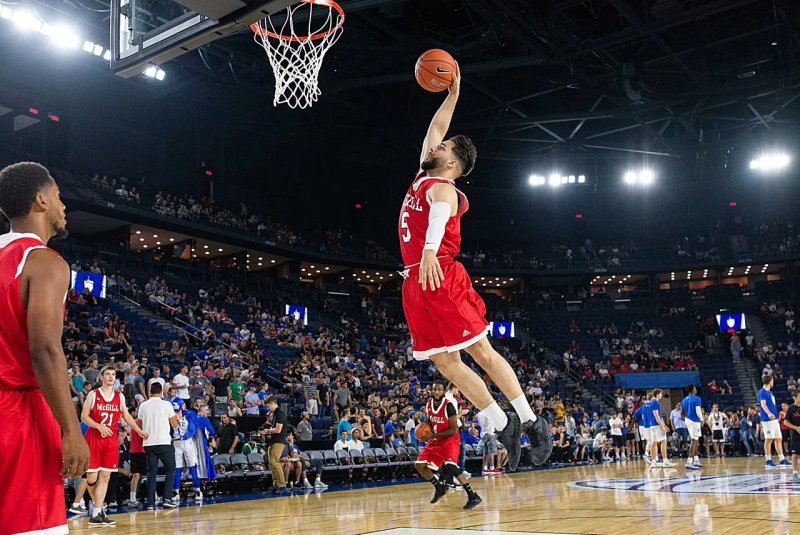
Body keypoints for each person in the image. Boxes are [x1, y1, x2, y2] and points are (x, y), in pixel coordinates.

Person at [397, 67, 549, 471]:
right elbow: (436, 126)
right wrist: (453, 94)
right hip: (414, 280)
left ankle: (533, 422)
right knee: (443, 362)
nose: (436, 144)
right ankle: (503, 424)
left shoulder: (443, 188)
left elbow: (440, 215)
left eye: (443, 147)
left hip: (440, 272)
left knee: (480, 351)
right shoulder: (423, 175)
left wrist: (430, 251)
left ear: (452, 163)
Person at [0, 162, 91, 535]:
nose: (63, 204)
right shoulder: (44, 262)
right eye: (57, 195)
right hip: (19, 415)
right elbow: (45, 350)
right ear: (40, 199)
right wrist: (71, 430)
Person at [81, 366, 147, 525]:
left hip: (111, 439)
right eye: (107, 374)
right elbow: (84, 416)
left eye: (113, 374)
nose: (111, 377)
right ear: (101, 377)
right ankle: (98, 506)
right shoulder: (93, 394)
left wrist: (137, 430)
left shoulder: (119, 396)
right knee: (91, 478)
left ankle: (97, 512)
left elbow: (126, 416)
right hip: (94, 438)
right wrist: (98, 426)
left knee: (105, 476)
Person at [414, 381, 481, 509]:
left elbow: (453, 430)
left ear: (444, 391)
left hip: (450, 439)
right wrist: (424, 428)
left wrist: (432, 435)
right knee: (419, 465)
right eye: (435, 389)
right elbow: (431, 420)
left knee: (450, 466)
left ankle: (472, 496)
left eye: (439, 389)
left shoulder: (449, 406)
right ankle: (439, 488)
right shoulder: (429, 403)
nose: (436, 392)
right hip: (436, 438)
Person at [138, 381, 179, 509]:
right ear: (161, 392)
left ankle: (150, 502)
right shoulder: (166, 404)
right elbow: (174, 425)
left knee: (151, 472)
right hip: (164, 441)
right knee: (170, 469)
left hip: (148, 442)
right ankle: (167, 498)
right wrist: (176, 417)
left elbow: (140, 425)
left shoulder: (143, 405)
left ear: (150, 392)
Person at [170, 398, 203, 501]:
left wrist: (186, 435)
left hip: (188, 443)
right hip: (176, 444)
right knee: (177, 468)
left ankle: (197, 490)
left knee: (192, 466)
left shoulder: (189, 414)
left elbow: (193, 428)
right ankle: (176, 492)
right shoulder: (170, 415)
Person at [759, 375, 791, 468]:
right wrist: (769, 413)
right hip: (767, 419)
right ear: (770, 381)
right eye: (772, 381)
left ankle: (782, 459)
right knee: (769, 439)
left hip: (775, 419)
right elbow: (763, 404)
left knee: (778, 438)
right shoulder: (762, 392)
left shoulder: (770, 392)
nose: (773, 382)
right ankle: (768, 460)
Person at [261, 395, 289, 494]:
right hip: (273, 440)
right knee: (271, 464)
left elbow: (278, 430)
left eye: (268, 406)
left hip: (279, 441)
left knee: (274, 462)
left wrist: (267, 430)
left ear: (272, 403)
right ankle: (276, 485)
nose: (268, 408)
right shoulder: (276, 414)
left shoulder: (280, 414)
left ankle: (282, 485)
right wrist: (268, 433)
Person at [681, 384, 704, 470]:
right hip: (694, 420)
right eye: (695, 388)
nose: (696, 389)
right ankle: (689, 462)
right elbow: (698, 411)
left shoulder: (684, 400)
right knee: (694, 440)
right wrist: (702, 419)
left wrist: (687, 418)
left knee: (695, 439)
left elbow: (682, 413)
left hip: (688, 420)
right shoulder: (697, 398)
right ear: (693, 389)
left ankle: (696, 460)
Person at [649, 389, 673, 468]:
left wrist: (664, 425)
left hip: (652, 425)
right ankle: (665, 461)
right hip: (657, 425)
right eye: (660, 394)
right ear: (657, 394)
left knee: (653, 442)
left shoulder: (651, 402)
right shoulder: (656, 403)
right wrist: (662, 426)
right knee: (664, 441)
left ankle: (653, 462)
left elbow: (659, 416)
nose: (661, 395)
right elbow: (657, 416)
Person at [780, 390, 800, 483]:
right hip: (795, 435)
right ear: (794, 397)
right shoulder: (791, 408)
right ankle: (795, 473)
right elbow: (785, 421)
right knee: (795, 454)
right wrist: (796, 428)